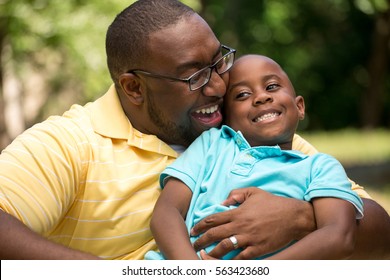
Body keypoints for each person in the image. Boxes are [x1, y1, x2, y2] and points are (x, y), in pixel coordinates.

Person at [0, 0, 389, 260]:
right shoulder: (72, 143)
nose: (219, 86)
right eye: (194, 76)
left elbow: (378, 234)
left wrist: (302, 218)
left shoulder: (245, 133)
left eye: (218, 62)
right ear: (134, 87)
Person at [146, 54, 364, 260]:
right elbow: (166, 212)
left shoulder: (320, 167)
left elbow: (339, 236)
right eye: (242, 95)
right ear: (227, 118)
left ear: (299, 106)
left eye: (271, 87)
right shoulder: (212, 144)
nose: (261, 97)